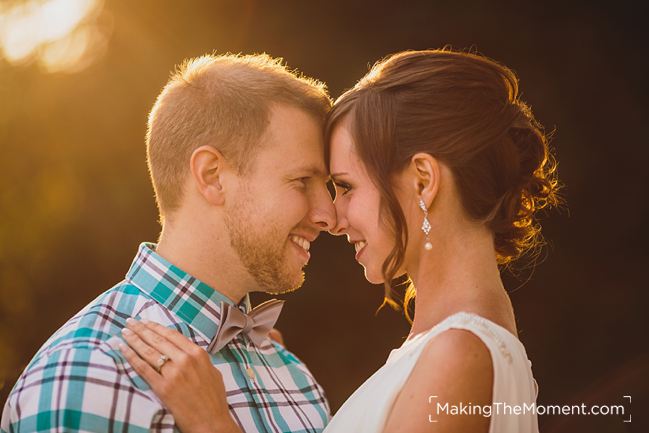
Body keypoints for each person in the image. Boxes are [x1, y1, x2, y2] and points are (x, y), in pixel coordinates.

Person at [115, 49, 560, 433]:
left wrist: (214, 423)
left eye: (345, 187)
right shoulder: (457, 345)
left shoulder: (458, 355)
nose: (332, 217)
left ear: (423, 180)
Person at [0, 53, 337, 433]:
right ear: (212, 176)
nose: (329, 214)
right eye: (301, 181)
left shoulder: (292, 377)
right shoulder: (84, 377)